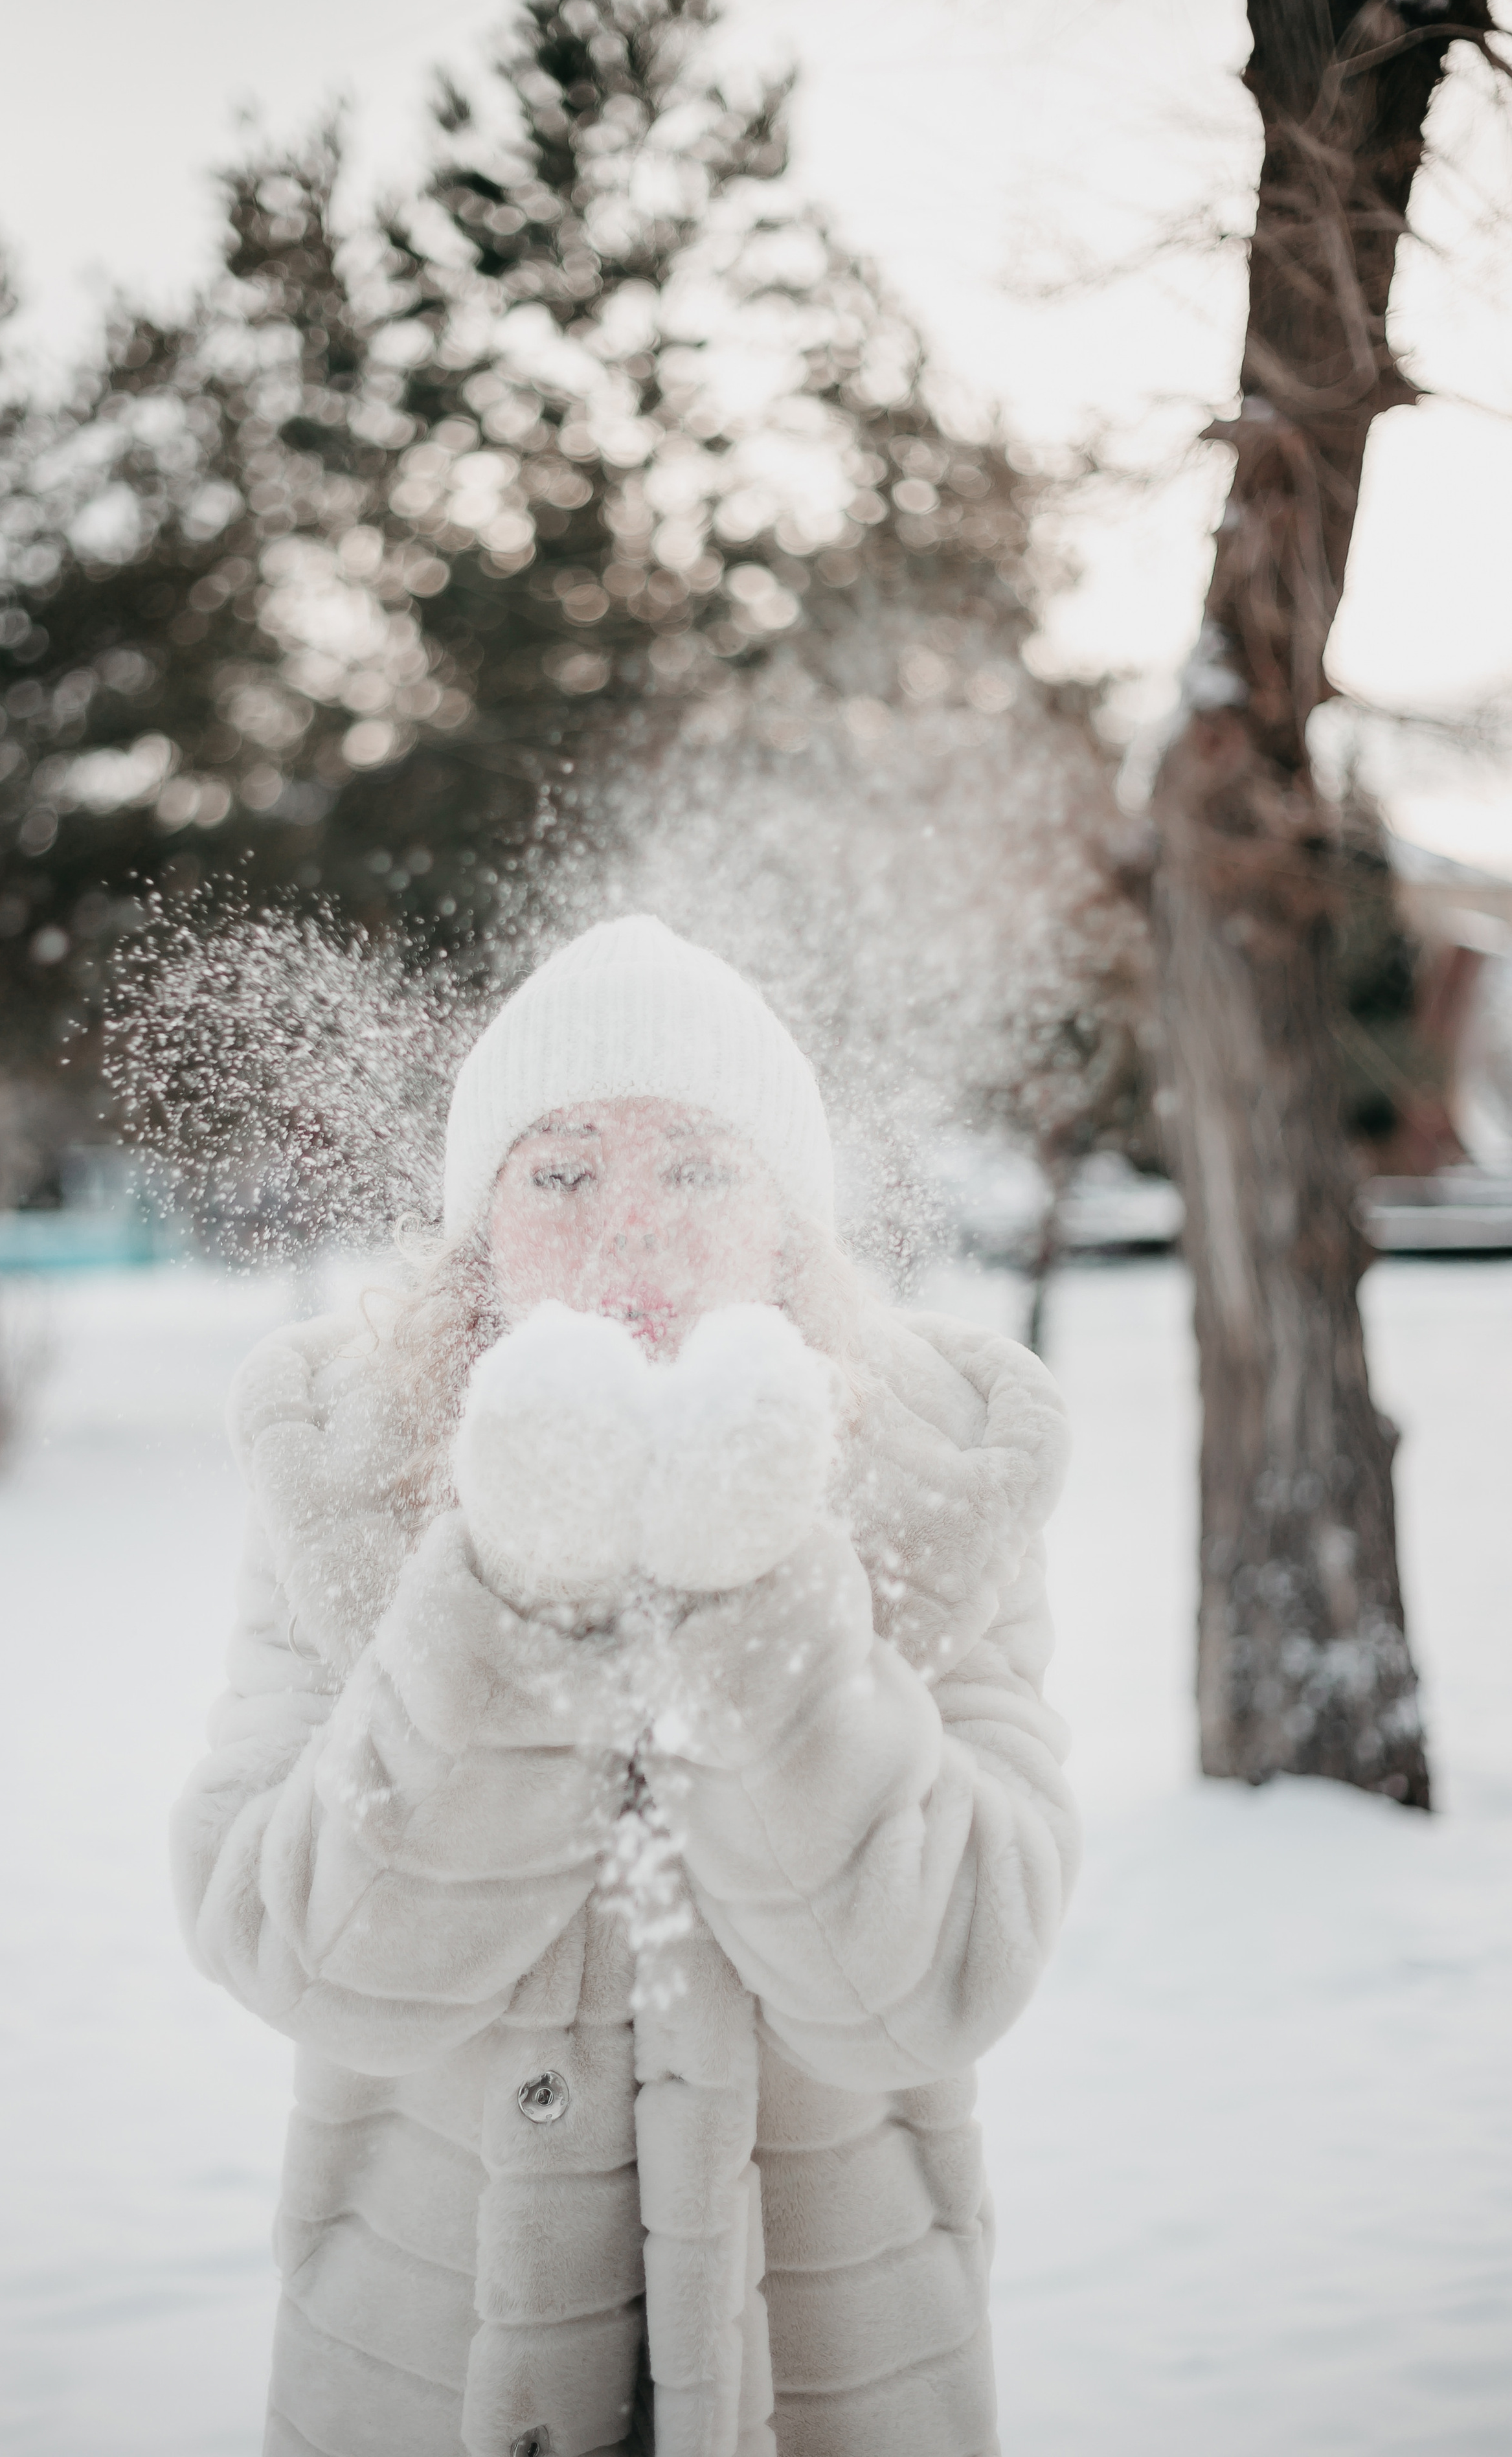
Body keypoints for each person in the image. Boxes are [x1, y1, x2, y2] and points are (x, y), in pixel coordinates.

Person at [174, 914, 1078, 2457]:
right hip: (422, 2366)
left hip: (842, 2379)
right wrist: (508, 1586)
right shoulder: (344, 1481)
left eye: (699, 1168)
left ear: (788, 1228)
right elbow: (297, 1953)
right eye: (561, 1173)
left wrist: (755, 1585)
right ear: (478, 1228)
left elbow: (936, 1983)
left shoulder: (938, 1481)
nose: (630, 1231)